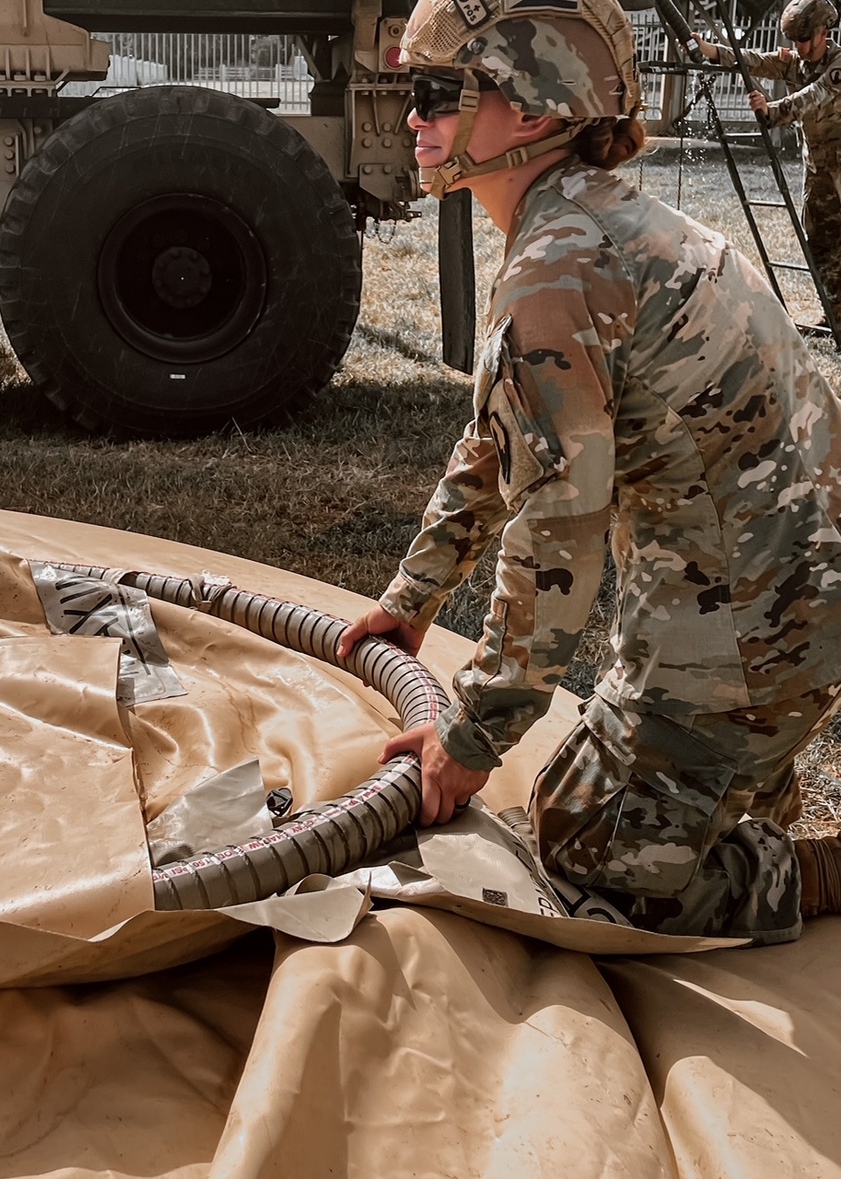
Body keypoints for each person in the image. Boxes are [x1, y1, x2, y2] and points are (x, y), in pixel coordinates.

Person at [337, 0, 841, 945]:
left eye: (441, 93)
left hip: (758, 625)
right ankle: (731, 771)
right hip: (778, 596)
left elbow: (556, 531)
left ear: (530, 113)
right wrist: (413, 598)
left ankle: (799, 864)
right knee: (601, 790)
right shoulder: (583, 226)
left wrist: (471, 736)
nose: (414, 116)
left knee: (584, 844)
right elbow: (499, 445)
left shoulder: (557, 270)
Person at [695, 0, 841, 325]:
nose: (797, 47)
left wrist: (771, 111)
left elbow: (812, 96)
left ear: (824, 33)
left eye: (804, 39)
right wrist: (713, 51)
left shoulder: (838, 65)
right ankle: (835, 316)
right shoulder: (797, 61)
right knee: (820, 244)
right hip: (819, 172)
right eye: (793, 40)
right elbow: (756, 61)